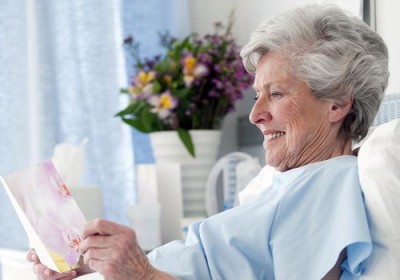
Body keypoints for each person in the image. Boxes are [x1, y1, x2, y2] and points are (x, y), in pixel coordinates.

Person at [27, 4, 389, 279]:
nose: (255, 115)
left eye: (276, 94)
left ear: (339, 104)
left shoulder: (329, 183)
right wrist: (90, 260)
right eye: (257, 96)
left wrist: (143, 274)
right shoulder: (284, 184)